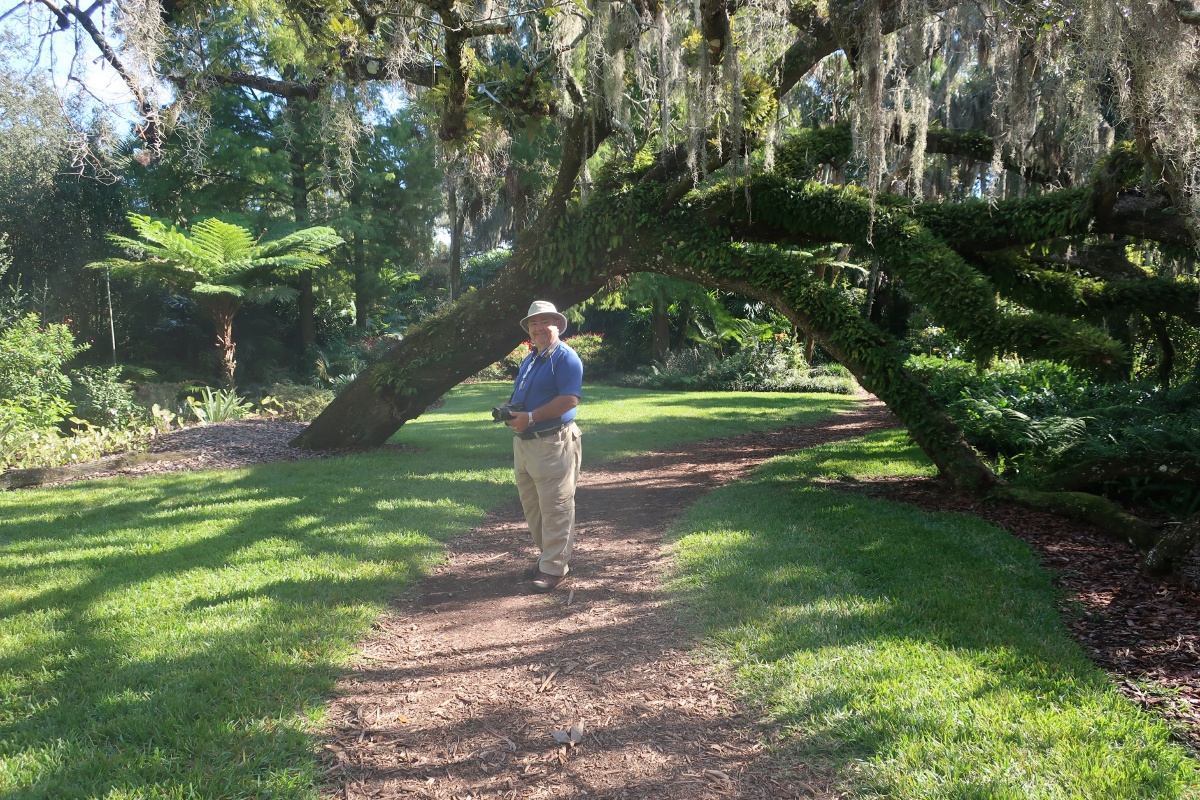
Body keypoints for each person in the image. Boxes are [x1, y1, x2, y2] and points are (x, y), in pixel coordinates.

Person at [504, 300, 584, 592]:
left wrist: (531, 417)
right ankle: (548, 559)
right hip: (525, 444)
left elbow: (569, 400)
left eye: (545, 322)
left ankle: (554, 569)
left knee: (556, 507)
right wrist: (509, 407)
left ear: (558, 326)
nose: (538, 328)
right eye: (534, 323)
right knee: (533, 508)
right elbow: (524, 394)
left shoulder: (565, 357)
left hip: (553, 442)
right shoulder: (532, 358)